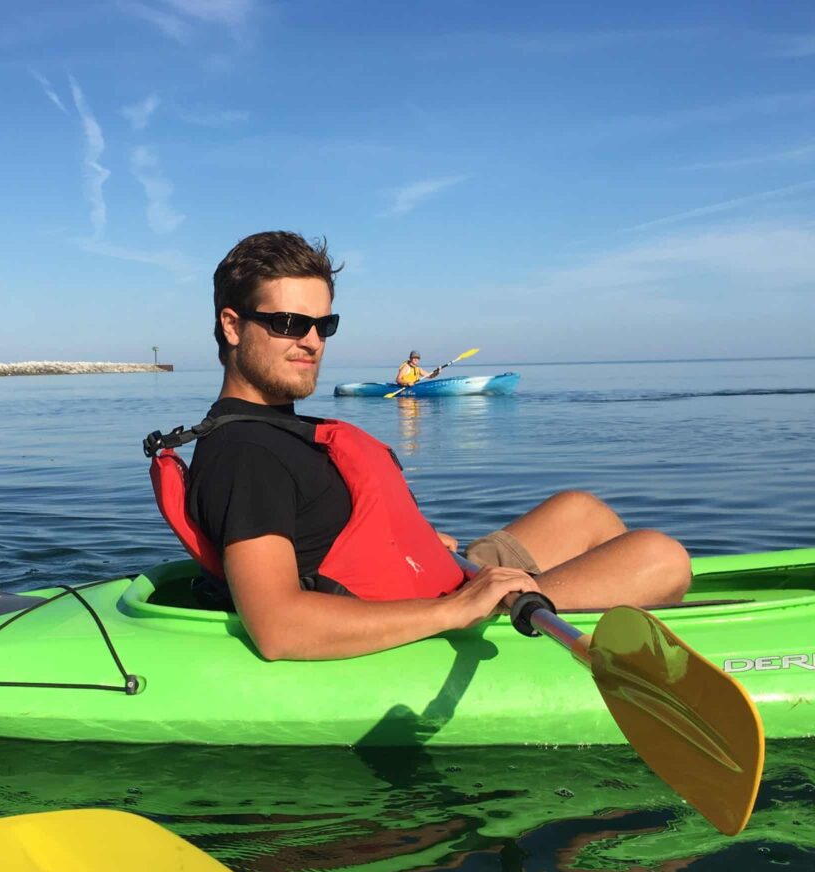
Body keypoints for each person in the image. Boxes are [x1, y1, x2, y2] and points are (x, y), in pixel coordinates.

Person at [149, 230, 692, 662]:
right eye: (290, 323)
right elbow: (278, 627)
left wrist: (410, 540)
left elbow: (324, 534)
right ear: (232, 325)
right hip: (433, 606)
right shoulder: (249, 454)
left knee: (582, 511)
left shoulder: (278, 433)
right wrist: (456, 611)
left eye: (323, 324)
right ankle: (599, 645)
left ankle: (602, 628)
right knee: (661, 557)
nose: (312, 341)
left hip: (433, 572)